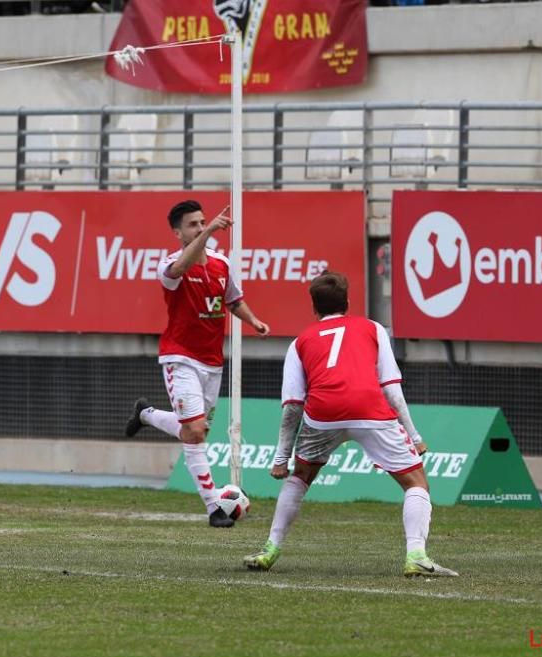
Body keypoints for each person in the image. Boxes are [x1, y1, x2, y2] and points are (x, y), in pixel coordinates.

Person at [244, 271, 458, 577]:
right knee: (416, 483)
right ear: (347, 302)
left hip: (323, 414)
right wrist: (414, 435)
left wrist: (281, 458)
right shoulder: (372, 328)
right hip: (369, 408)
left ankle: (270, 549)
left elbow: (293, 405)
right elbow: (392, 389)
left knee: (300, 478)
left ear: (314, 308)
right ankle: (416, 556)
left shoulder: (299, 342)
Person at [125, 200, 269, 527]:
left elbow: (233, 300)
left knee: (196, 429)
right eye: (193, 225)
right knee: (194, 432)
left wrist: (254, 320)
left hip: (212, 363)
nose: (201, 227)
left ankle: (146, 414)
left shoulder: (221, 264)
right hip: (180, 358)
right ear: (177, 233)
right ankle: (214, 508)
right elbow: (177, 271)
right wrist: (207, 236)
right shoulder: (170, 265)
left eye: (203, 222)